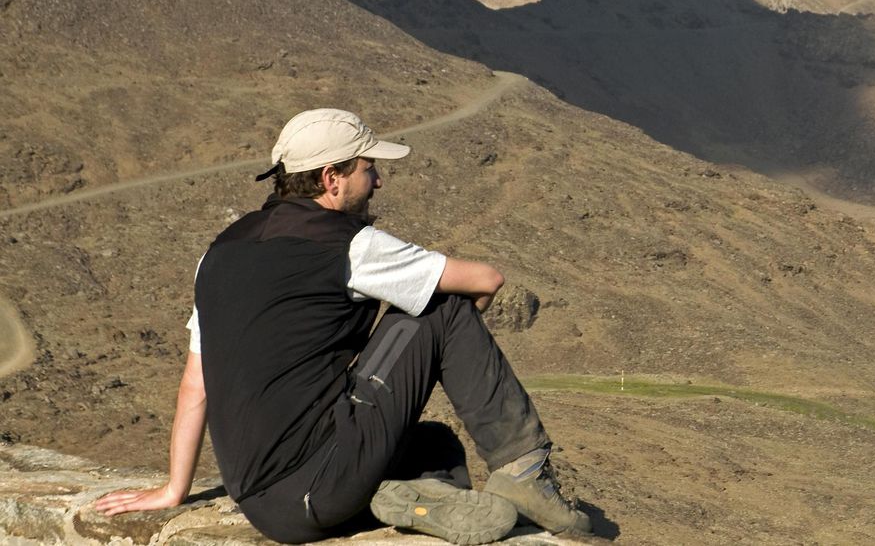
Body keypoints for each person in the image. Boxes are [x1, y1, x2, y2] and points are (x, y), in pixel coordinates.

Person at [93, 108, 591, 544]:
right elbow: (487, 279)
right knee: (443, 304)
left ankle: (408, 495)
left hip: (267, 508)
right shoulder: (346, 245)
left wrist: (174, 488)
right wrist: (444, 344)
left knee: (433, 444)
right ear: (332, 178)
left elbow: (195, 385)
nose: (379, 181)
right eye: (368, 168)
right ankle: (525, 473)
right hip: (324, 484)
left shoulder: (218, 254)